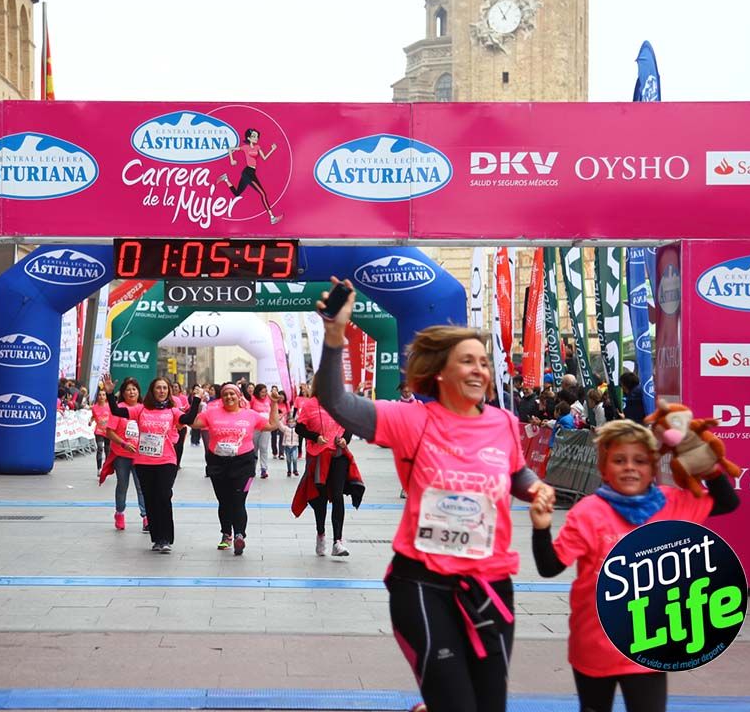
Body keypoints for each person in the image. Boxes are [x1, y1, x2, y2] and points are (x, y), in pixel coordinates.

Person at [312, 278, 553, 712]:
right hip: (423, 583)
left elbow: (515, 472)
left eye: (483, 361)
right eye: (468, 361)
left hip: (491, 583)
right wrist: (335, 336)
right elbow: (334, 401)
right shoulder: (411, 421)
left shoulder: (501, 423)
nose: (480, 369)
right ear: (441, 371)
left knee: (488, 706)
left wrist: (534, 488)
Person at [530, 420, 740, 712]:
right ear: (603, 468)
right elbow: (550, 567)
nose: (630, 467)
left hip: (649, 646)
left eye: (640, 461)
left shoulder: (674, 504)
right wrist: (540, 529)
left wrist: (708, 465)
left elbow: (728, 502)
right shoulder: (588, 512)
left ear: (653, 468)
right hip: (595, 647)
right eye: (619, 460)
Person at [102, 376, 200, 553]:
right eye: (158, 388)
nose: (161, 391)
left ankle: (166, 538)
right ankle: (156, 538)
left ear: (168, 391)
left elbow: (190, 419)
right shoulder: (141, 409)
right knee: (150, 500)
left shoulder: (173, 411)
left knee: (163, 497)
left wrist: (197, 399)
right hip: (144, 462)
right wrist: (109, 393)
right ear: (152, 391)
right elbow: (116, 411)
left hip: (166, 461)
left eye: (164, 388)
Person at [186, 382, 280, 555]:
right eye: (226, 394)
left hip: (243, 464)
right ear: (222, 398)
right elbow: (191, 423)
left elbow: (273, 425)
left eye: (233, 394)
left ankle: (239, 535)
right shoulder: (211, 414)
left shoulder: (250, 415)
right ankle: (226, 534)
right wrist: (196, 400)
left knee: (238, 500)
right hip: (217, 464)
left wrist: (274, 403)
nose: (229, 397)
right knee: (224, 501)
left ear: (239, 396)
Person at [293, 379, 363, 557]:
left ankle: (337, 542)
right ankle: (321, 534)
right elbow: (299, 429)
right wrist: (315, 437)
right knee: (320, 497)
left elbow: (348, 426)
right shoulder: (310, 405)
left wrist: (345, 439)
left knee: (338, 496)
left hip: (338, 455)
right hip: (318, 457)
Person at [98, 377, 149, 531]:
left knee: (142, 487)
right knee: (123, 485)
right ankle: (119, 513)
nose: (131, 392)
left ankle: (146, 517)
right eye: (128, 389)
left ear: (139, 392)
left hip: (140, 456)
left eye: (134, 389)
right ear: (123, 393)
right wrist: (124, 444)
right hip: (121, 455)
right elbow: (109, 432)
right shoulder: (118, 409)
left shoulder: (144, 408)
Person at [217, 127, 282, 224]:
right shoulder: (245, 147)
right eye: (253, 136)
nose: (256, 138)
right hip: (247, 172)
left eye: (257, 136)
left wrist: (272, 150)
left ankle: (226, 179)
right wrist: (232, 160)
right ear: (248, 138)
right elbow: (230, 148)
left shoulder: (258, 147)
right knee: (263, 194)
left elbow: (264, 158)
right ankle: (272, 217)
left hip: (251, 172)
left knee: (237, 193)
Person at [250, 384, 273, 478]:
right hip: (255, 427)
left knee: (263, 447)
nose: (264, 394)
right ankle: (252, 468)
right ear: (257, 392)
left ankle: (264, 469)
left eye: (265, 391)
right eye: (262, 392)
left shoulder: (268, 399)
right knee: (254, 448)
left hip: (266, 426)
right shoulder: (253, 399)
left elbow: (272, 409)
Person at [91, 387, 112, 472]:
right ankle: (99, 468)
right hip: (99, 431)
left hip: (108, 431)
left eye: (103, 395)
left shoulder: (110, 407)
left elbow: (114, 417)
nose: (101, 397)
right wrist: (90, 420)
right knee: (100, 448)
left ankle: (106, 467)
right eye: (100, 395)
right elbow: (93, 416)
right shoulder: (94, 407)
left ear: (106, 397)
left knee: (107, 450)